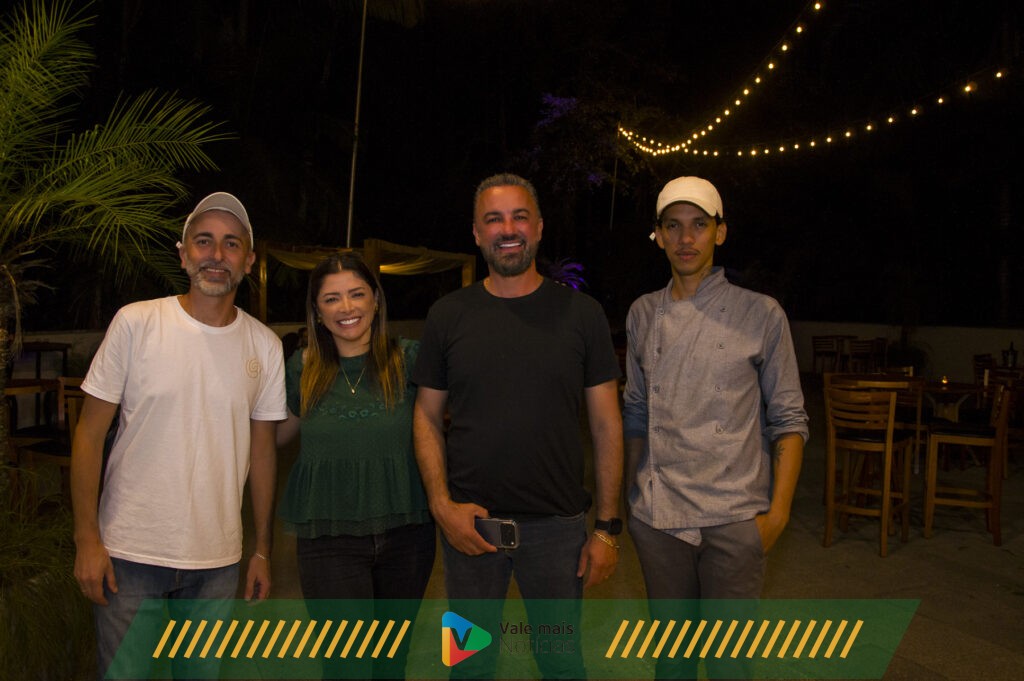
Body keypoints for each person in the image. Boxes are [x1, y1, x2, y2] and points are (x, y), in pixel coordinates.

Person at [412, 173, 624, 679]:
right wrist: (442, 507)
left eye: (519, 216)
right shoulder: (447, 315)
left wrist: (607, 530)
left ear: (539, 227)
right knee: (468, 665)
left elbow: (606, 425)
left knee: (561, 664)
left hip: (558, 533)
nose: (507, 229)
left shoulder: (582, 314)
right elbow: (425, 415)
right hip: (470, 531)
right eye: (494, 219)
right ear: (476, 233)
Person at [71, 192, 286, 679]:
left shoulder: (265, 346)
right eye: (204, 241)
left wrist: (262, 550)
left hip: (217, 561)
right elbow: (88, 434)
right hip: (129, 554)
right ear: (183, 253)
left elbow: (262, 454)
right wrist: (86, 539)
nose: (216, 254)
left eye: (231, 244)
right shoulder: (137, 323)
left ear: (249, 261)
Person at [622, 176, 809, 677]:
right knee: (673, 664)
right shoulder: (643, 313)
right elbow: (636, 410)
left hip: (733, 516)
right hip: (660, 518)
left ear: (720, 233)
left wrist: (777, 516)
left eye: (699, 225)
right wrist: (632, 495)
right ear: (658, 235)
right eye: (673, 226)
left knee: (729, 665)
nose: (686, 238)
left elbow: (789, 418)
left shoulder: (760, 313)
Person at [275, 252, 434, 678]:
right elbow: (270, 436)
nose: (346, 307)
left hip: (408, 535)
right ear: (316, 311)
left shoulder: (410, 359)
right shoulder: (302, 368)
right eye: (331, 299)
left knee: (390, 664)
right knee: (345, 665)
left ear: (376, 300)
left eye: (357, 294)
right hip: (329, 539)